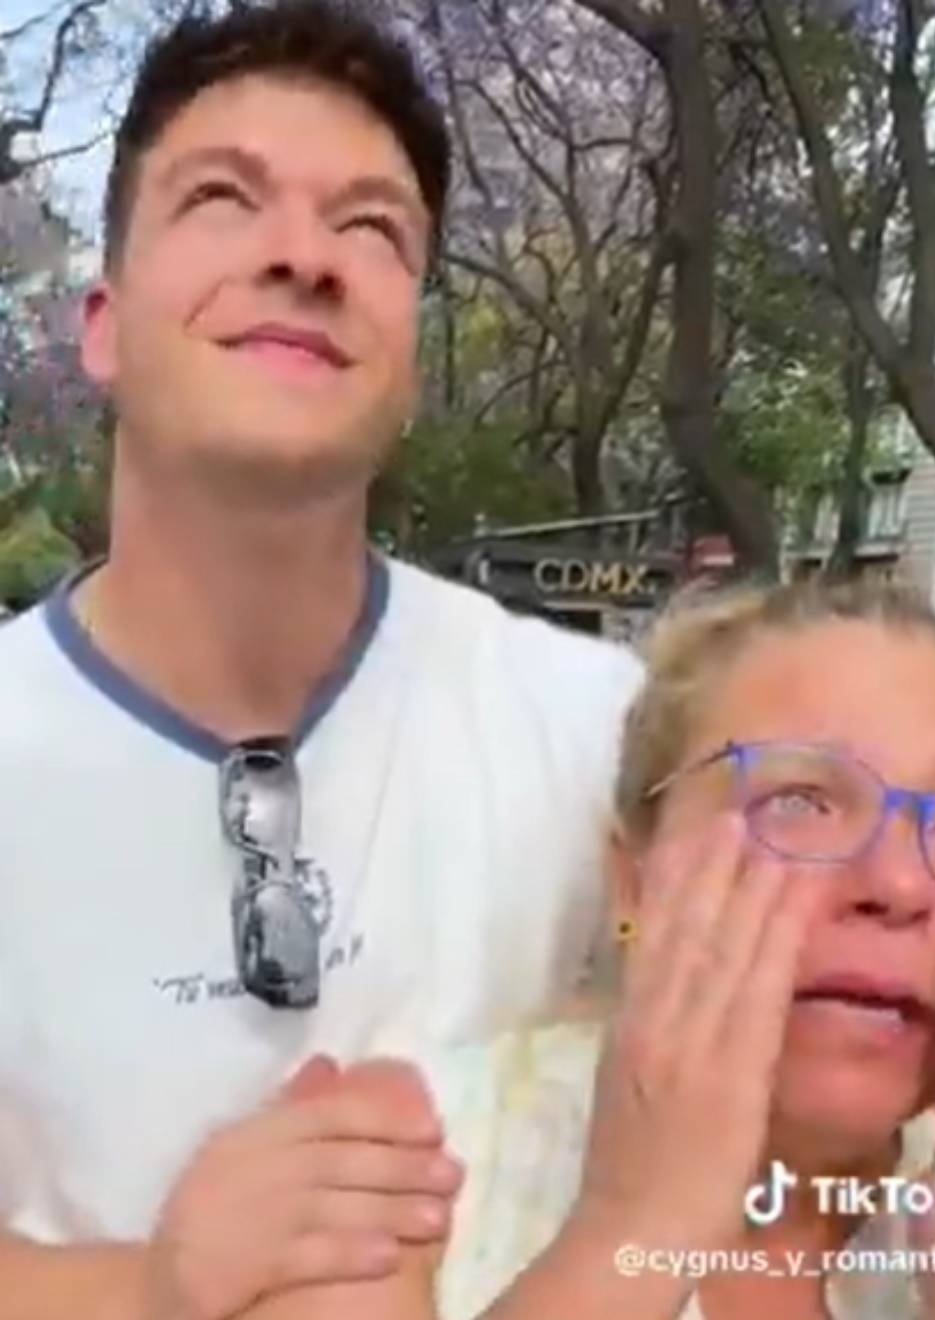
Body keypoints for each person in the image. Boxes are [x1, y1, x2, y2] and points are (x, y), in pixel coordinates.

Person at [0, 3, 642, 1317]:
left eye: (372, 228)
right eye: (225, 199)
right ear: (104, 324)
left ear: (409, 351)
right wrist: (159, 1288)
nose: (306, 257)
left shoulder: (601, 737)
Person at [357, 578, 935, 1320]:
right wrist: (635, 1226)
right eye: (798, 803)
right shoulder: (387, 1174)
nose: (900, 884)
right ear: (634, 882)